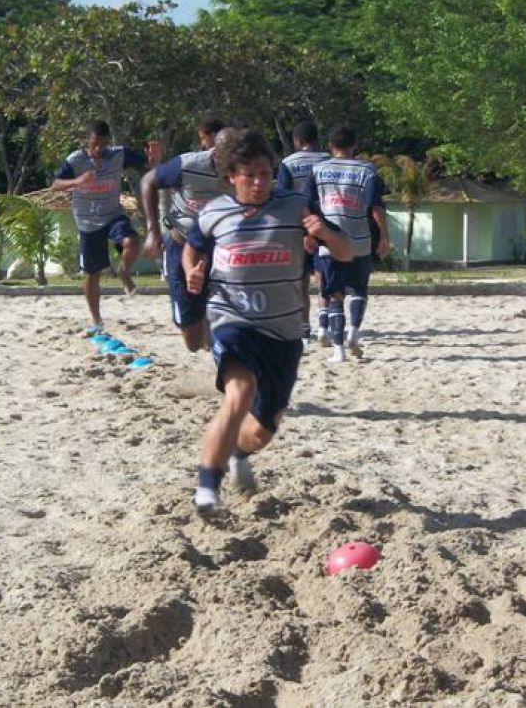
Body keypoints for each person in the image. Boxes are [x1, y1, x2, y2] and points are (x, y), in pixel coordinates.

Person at [183, 128, 352, 514]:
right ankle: (207, 488)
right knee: (239, 392)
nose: (260, 182)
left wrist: (323, 231)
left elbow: (345, 253)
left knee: (262, 430)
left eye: (265, 173)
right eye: (250, 174)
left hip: (284, 330)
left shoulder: (297, 205)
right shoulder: (214, 213)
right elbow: (190, 251)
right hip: (232, 318)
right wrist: (193, 272)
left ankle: (240, 453)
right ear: (231, 176)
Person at [51, 120, 160, 333]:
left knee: (132, 241)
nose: (98, 149)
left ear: (108, 142)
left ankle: (123, 272)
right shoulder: (75, 160)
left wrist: (155, 157)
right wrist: (77, 181)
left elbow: (149, 165)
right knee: (92, 274)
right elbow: (55, 184)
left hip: (112, 216)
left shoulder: (118, 155)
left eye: (102, 144)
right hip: (88, 222)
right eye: (94, 145)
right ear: (87, 142)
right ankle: (97, 320)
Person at [140, 117, 229, 352]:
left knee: (224, 317)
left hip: (218, 251)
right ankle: (201, 325)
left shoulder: (241, 173)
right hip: (181, 245)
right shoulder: (188, 164)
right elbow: (147, 182)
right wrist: (152, 231)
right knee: (192, 342)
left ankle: (218, 342)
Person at [305, 124, 391, 362]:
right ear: (355, 145)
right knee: (360, 290)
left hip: (328, 240)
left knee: (334, 295)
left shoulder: (318, 170)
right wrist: (384, 237)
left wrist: (309, 235)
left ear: (331, 146)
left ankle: (338, 350)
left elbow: (308, 206)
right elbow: (376, 207)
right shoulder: (368, 171)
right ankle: (354, 333)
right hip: (360, 240)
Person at [275, 121, 331, 345]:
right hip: (324, 226)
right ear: (316, 139)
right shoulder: (328, 161)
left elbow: (282, 197)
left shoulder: (288, 163)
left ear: (297, 141)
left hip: (296, 228)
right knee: (323, 278)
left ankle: (304, 328)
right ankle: (324, 325)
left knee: (300, 283)